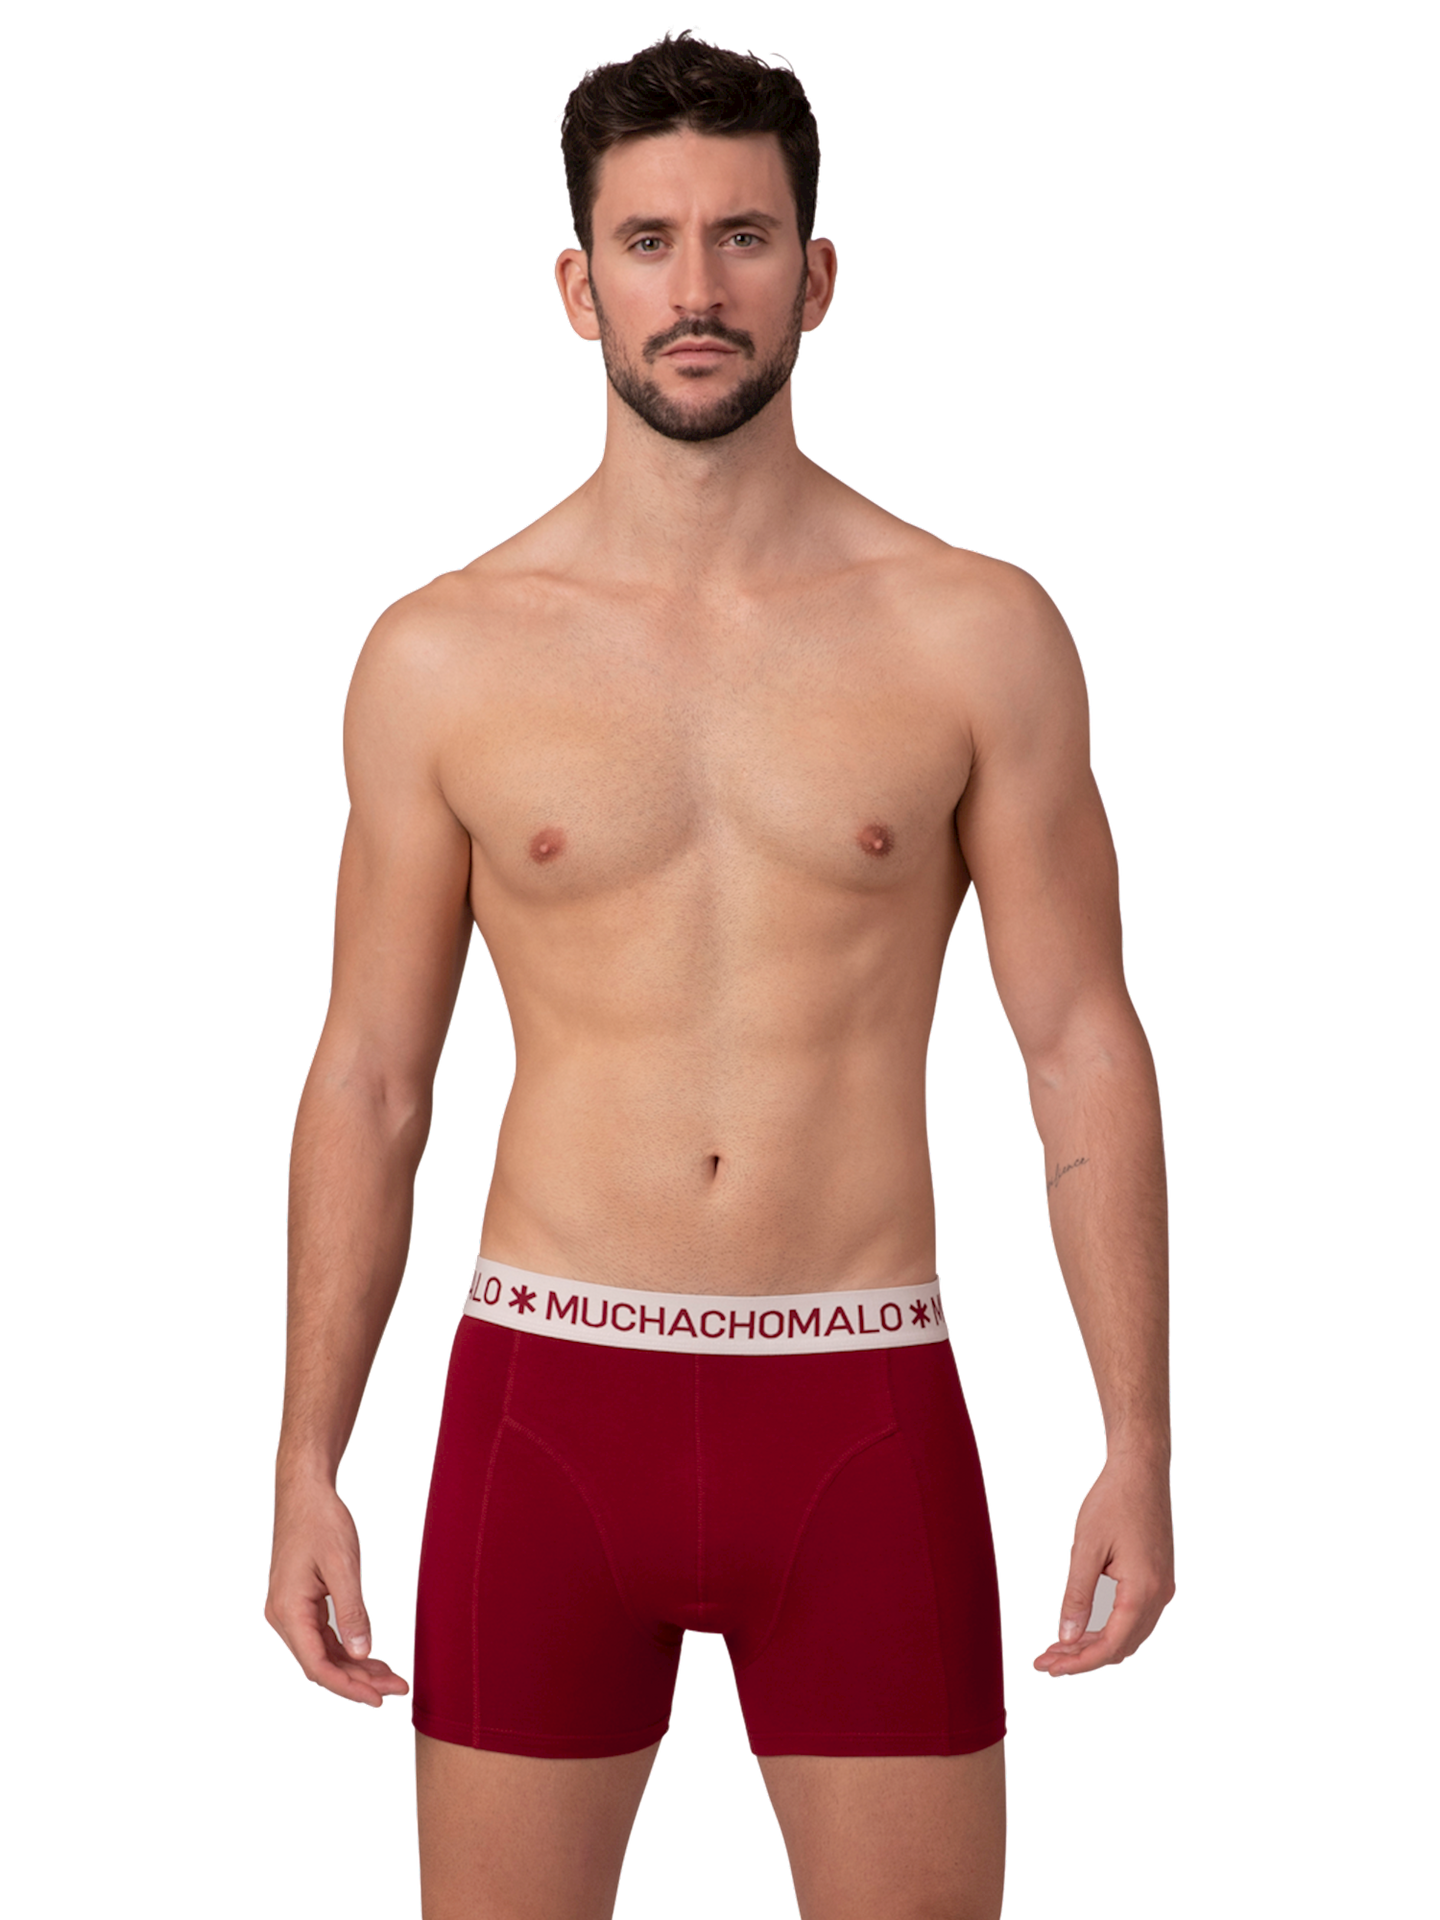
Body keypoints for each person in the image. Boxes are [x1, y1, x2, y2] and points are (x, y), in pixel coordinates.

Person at [264, 26, 1175, 1920]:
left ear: (817, 275)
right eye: (652, 240)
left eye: (745, 236)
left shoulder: (974, 630)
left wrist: (1140, 1439)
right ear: (576, 283)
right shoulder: (441, 653)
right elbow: (369, 1075)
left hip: (861, 1397)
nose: (699, 287)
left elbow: (1080, 1040)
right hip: (542, 1401)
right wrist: (304, 1459)